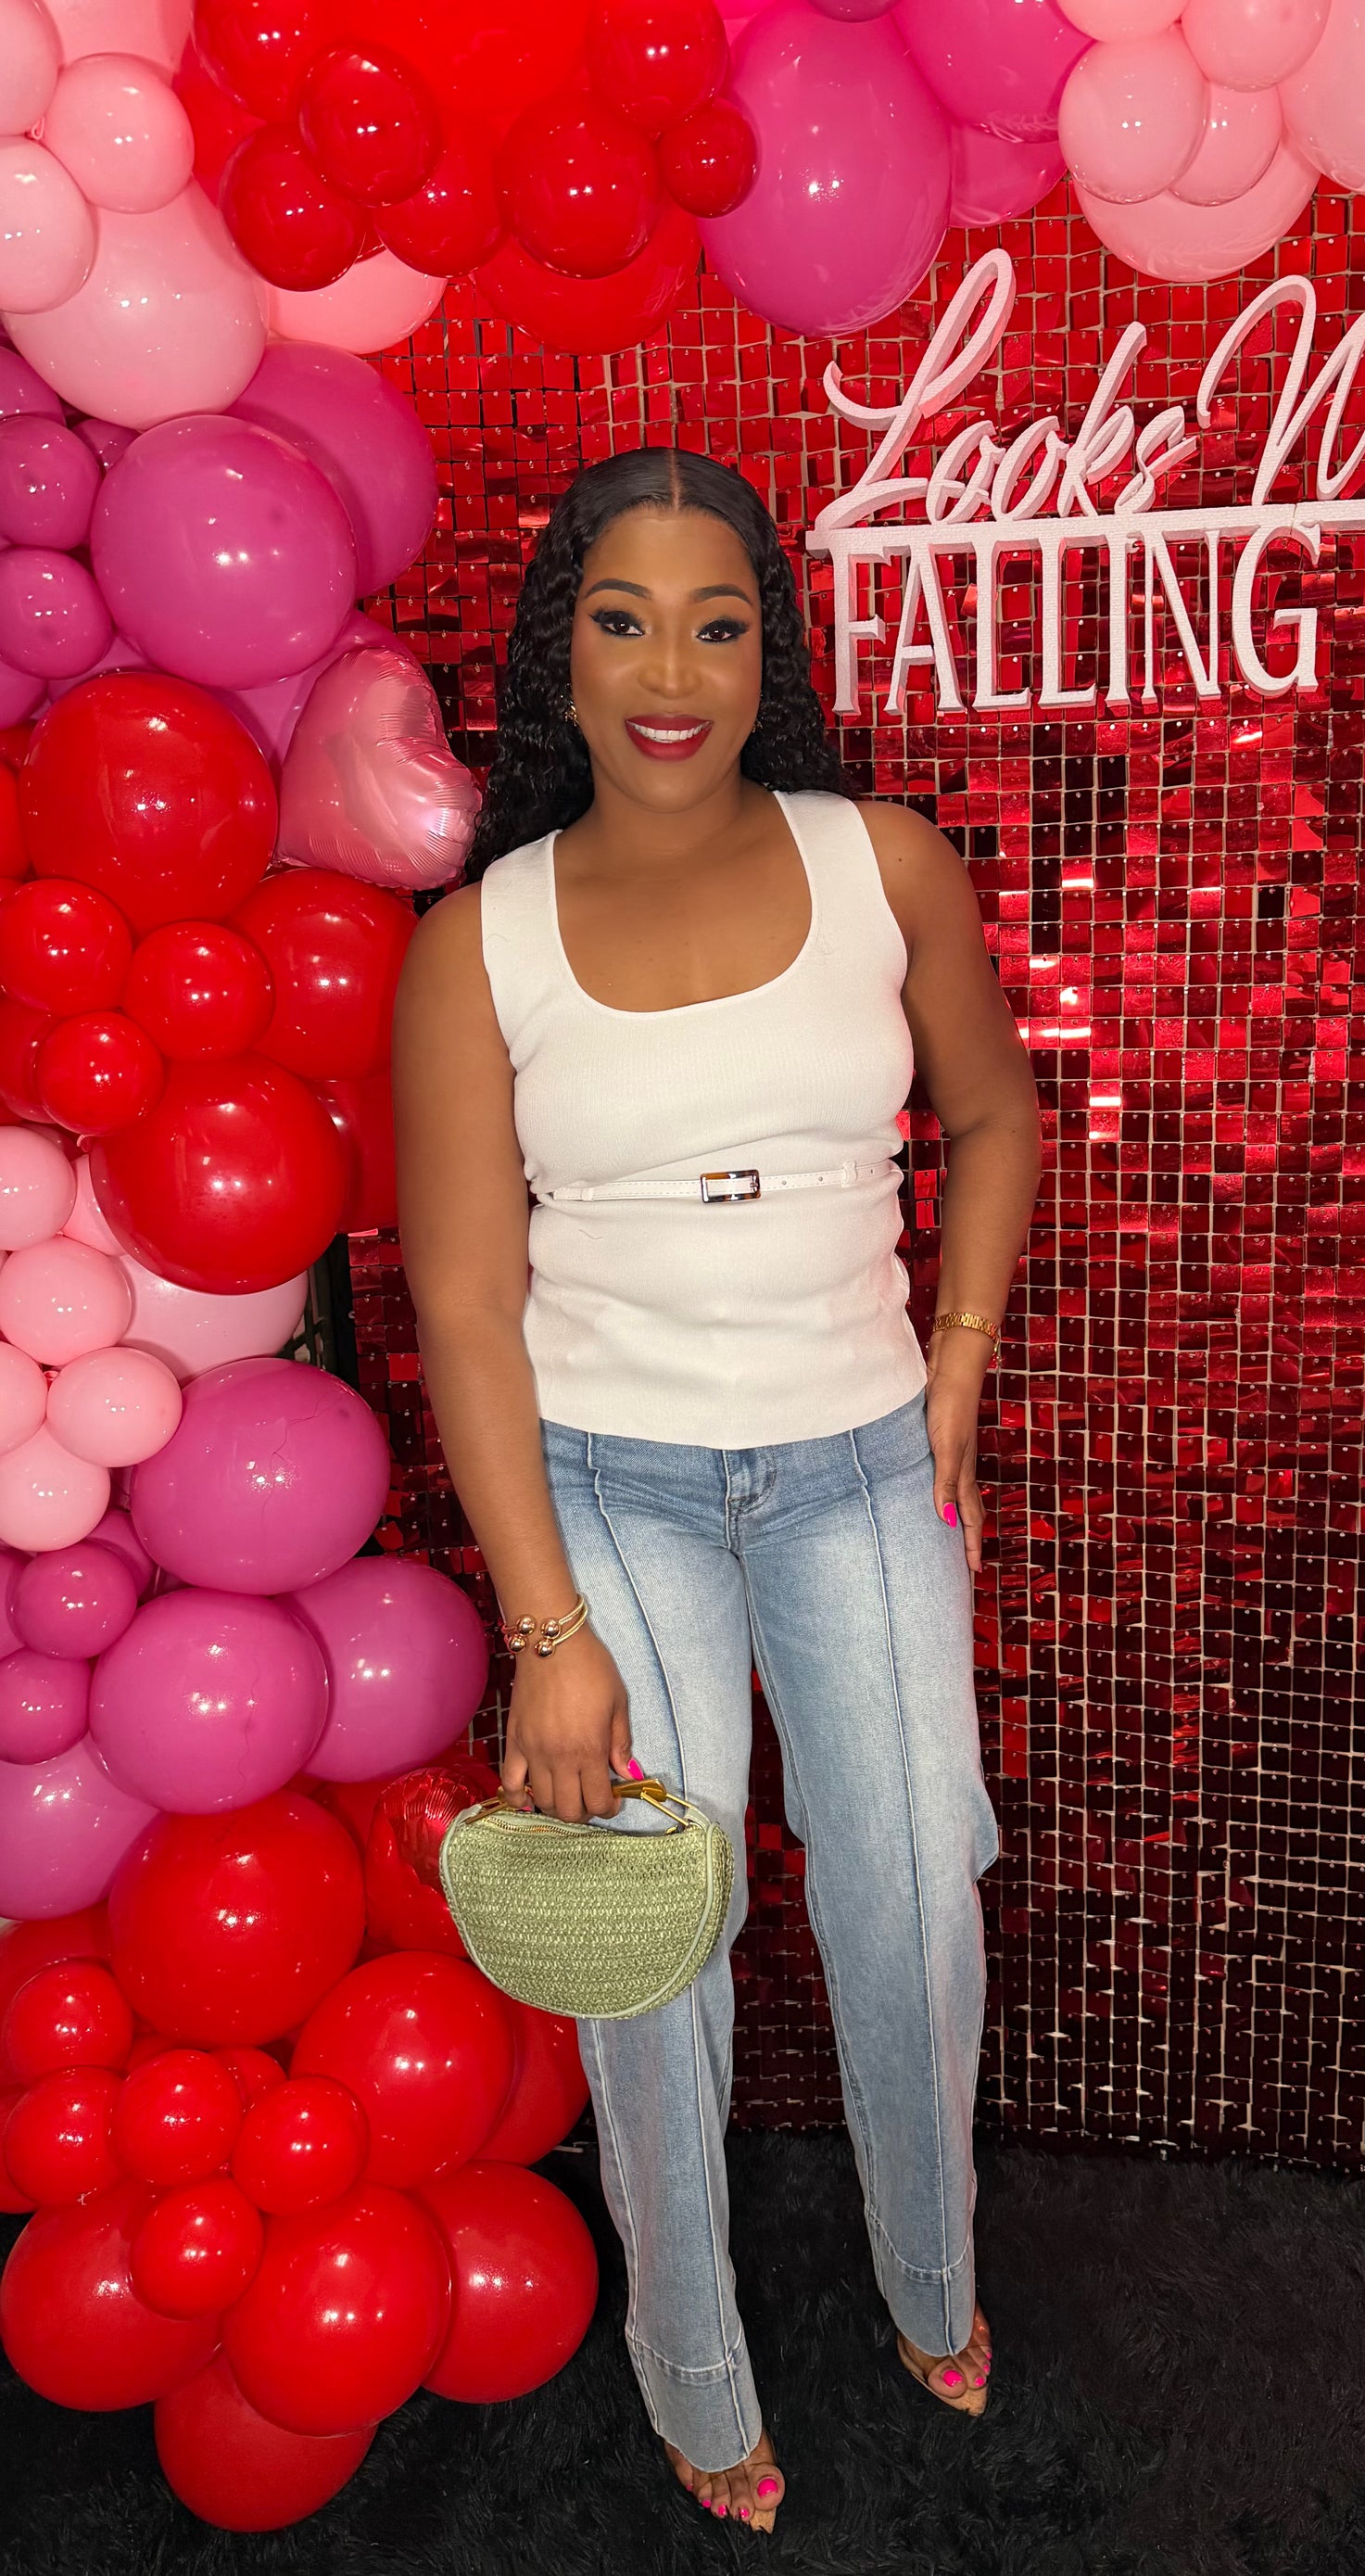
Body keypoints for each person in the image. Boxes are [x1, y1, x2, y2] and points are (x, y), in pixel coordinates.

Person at [390, 447, 1043, 2533]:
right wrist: (546, 1634)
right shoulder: (474, 944)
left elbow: (996, 1115)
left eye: (716, 623)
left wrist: (956, 1356)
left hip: (858, 1465)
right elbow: (464, 1304)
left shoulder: (884, 865)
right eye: (622, 621)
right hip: (611, 1490)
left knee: (913, 1897)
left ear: (769, 652)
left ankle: (928, 2275)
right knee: (656, 1940)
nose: (669, 671)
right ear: (557, 654)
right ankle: (692, 2372)